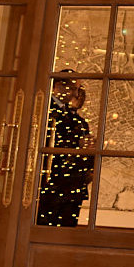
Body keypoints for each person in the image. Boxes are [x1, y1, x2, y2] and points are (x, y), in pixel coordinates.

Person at [36, 72, 95, 227]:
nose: (76, 94)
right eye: (73, 88)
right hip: (54, 186)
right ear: (58, 86)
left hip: (70, 187)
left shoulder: (72, 117)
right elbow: (52, 144)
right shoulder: (46, 111)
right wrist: (79, 147)